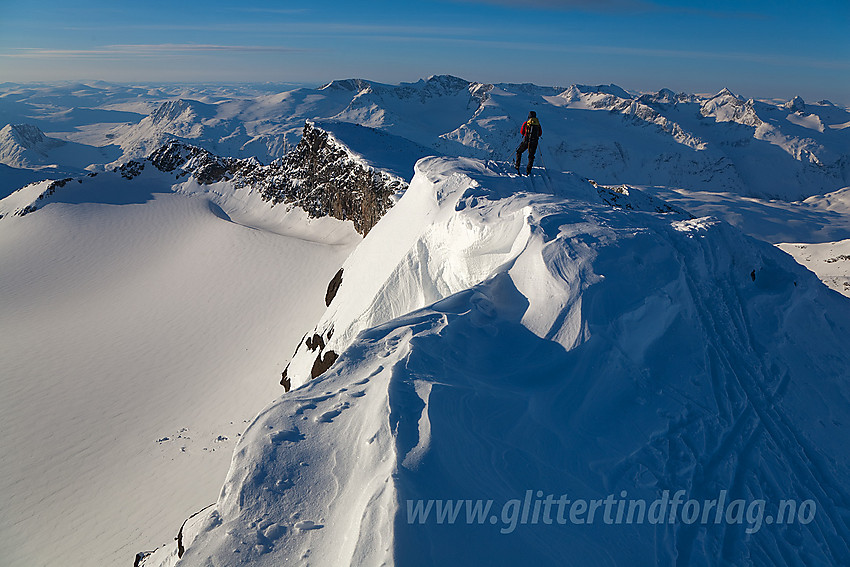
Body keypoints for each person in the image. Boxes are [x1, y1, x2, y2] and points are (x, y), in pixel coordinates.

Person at [515, 110, 542, 175]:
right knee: (531, 156)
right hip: (534, 142)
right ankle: (528, 171)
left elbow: (522, 132)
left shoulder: (526, 123)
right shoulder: (538, 125)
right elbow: (540, 133)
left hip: (526, 141)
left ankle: (517, 166)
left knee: (519, 152)